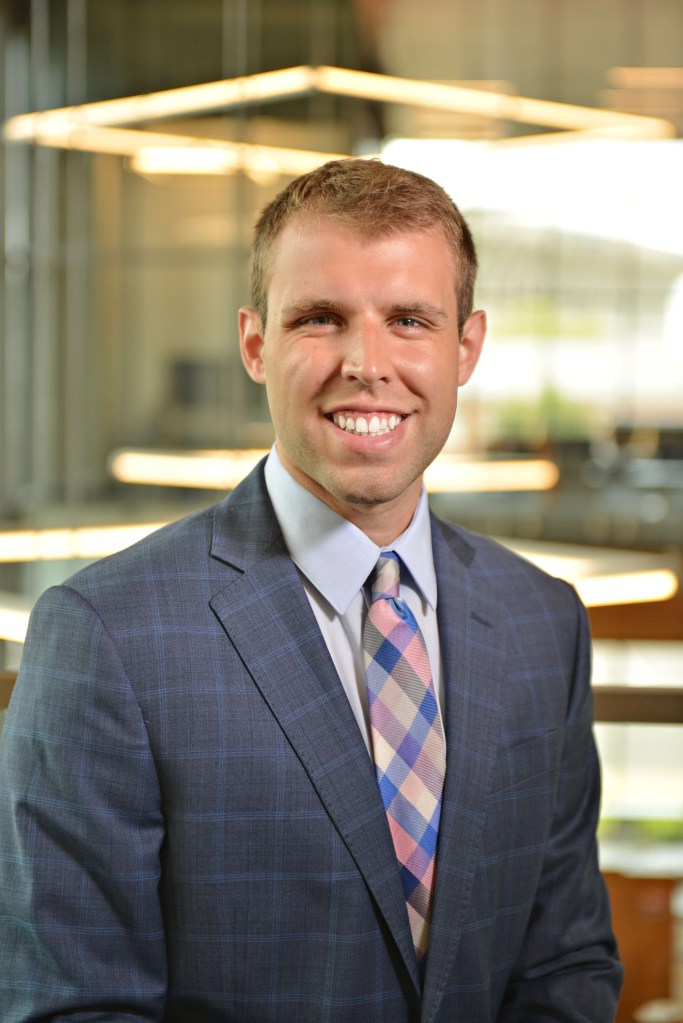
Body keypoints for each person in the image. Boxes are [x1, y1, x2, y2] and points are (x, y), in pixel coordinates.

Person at [0, 158, 622, 1021]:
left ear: (465, 347)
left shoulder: (541, 622)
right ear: (256, 344)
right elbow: (75, 1006)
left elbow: (565, 965)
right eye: (321, 319)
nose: (368, 364)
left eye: (409, 319)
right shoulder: (107, 638)